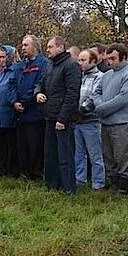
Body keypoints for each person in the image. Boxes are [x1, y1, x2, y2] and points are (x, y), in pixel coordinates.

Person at [93, 43, 128, 195]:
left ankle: (123, 187)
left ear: (124, 57)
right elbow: (96, 92)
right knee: (108, 155)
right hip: (106, 122)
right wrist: (99, 105)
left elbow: (123, 99)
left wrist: (101, 109)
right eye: (108, 59)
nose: (110, 62)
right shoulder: (107, 74)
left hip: (123, 123)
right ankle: (113, 182)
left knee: (122, 156)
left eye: (113, 58)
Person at [37, 36, 82, 195]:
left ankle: (68, 188)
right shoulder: (50, 66)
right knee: (50, 155)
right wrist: (38, 94)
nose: (47, 50)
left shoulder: (72, 66)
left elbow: (72, 94)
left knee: (65, 156)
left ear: (60, 47)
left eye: (50, 47)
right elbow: (40, 83)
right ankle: (52, 185)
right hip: (49, 116)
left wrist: (62, 118)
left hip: (64, 119)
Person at [13, 35, 50, 181]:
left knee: (35, 145)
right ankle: (25, 172)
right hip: (20, 113)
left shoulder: (43, 64)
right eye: (22, 45)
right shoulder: (22, 65)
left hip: (35, 112)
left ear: (35, 46)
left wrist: (25, 102)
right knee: (22, 145)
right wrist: (14, 101)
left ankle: (36, 174)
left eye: (26, 45)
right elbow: (15, 84)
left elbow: (40, 85)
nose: (23, 48)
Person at [75, 48, 106, 190]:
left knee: (95, 155)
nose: (80, 63)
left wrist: (82, 109)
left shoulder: (99, 76)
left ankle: (98, 183)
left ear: (93, 61)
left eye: (83, 60)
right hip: (76, 120)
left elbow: (94, 97)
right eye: (79, 60)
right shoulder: (77, 76)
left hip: (91, 120)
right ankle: (79, 180)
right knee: (79, 153)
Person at [0, 45, 20, 177]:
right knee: (0, 143)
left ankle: (10, 169)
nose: (1, 59)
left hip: (10, 114)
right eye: (0, 56)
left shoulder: (16, 71)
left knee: (10, 144)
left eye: (4, 57)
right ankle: (1, 166)